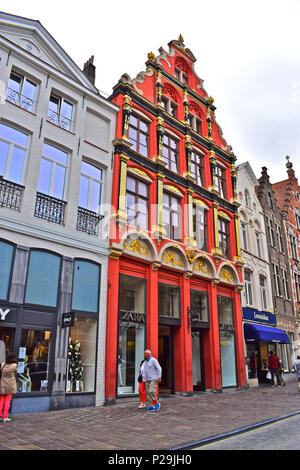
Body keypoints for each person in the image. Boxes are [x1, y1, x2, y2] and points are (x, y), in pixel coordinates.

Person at [0, 352, 17, 422]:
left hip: (3, 384)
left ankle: (0, 416)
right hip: (10, 385)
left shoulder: (3, 365)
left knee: (1, 400)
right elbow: (16, 373)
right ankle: (5, 417)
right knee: (8, 401)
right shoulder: (14, 365)